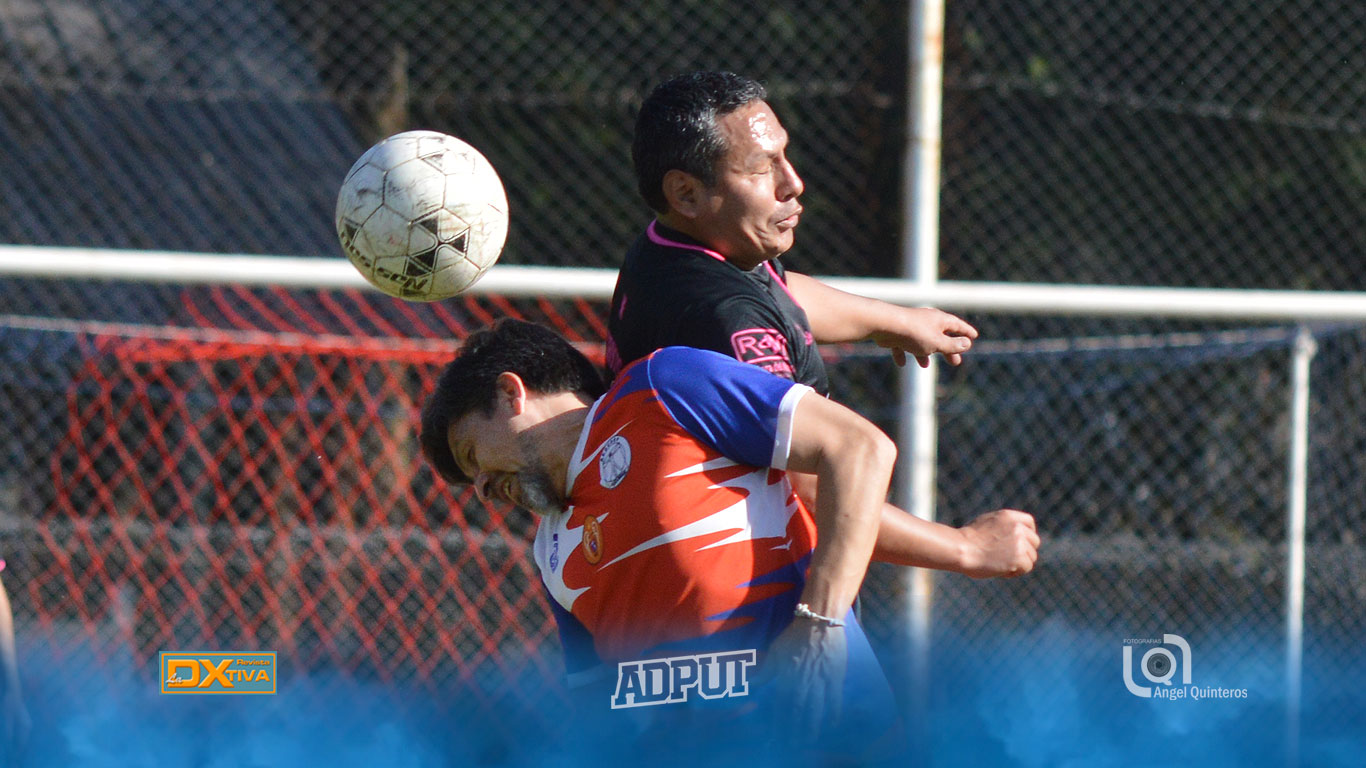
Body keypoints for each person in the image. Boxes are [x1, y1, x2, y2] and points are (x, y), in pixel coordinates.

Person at [609, 70, 1038, 578]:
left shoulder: (683, 248)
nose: (793, 182)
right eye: (762, 168)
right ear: (685, 192)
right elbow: (809, 486)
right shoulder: (722, 318)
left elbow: (776, 292)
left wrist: (890, 320)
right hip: (754, 609)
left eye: (784, 155)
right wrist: (966, 548)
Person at [421, 319, 905, 758]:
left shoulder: (663, 387)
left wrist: (819, 626)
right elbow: (597, 708)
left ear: (511, 393)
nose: (483, 489)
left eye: (472, 454)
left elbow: (858, 447)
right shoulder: (551, 554)